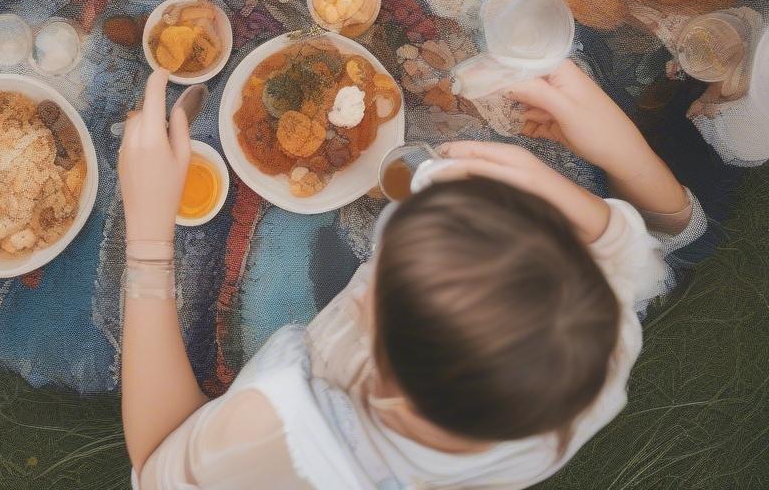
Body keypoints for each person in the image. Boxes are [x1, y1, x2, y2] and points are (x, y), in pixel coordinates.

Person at [118, 60, 701, 488]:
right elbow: (633, 265)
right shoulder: (596, 363)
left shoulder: (271, 433)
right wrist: (614, 158)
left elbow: (154, 460)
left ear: (369, 316)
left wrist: (146, 235)